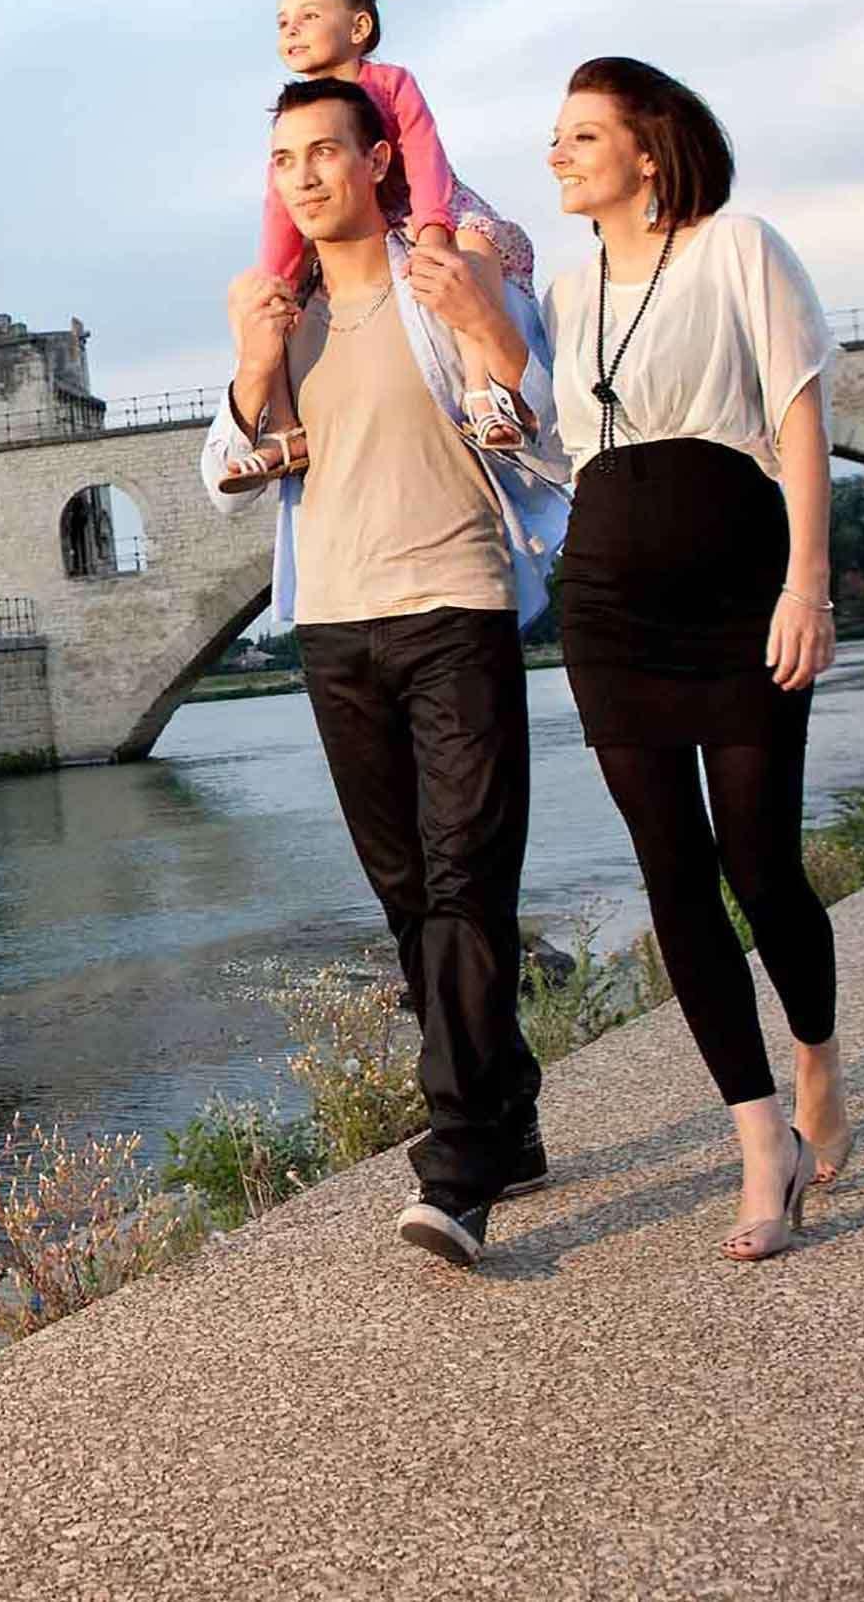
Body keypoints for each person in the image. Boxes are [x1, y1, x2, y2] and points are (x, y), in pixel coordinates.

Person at [204, 77, 571, 1267]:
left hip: (455, 605)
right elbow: (226, 472)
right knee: (411, 893)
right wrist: (254, 369)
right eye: (283, 161)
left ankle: (456, 1165)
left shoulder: (446, 279)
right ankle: (507, 1112)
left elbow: (541, 422)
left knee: (468, 876)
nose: (304, 176)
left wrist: (491, 329)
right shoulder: (281, 312)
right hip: (336, 630)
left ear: (376, 162)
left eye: (325, 151)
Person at [541, 57, 849, 1264]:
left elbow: (800, 419)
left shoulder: (739, 247)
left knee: (760, 859)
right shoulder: (567, 297)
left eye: (580, 135)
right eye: (555, 138)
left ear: (649, 151)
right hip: (610, 607)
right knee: (673, 873)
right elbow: (563, 445)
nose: (557, 155)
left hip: (739, 594)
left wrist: (807, 584)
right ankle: (758, 1139)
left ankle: (818, 1050)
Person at [222, 0, 541, 490]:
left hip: (419, 207)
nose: (291, 31)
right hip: (346, 230)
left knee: (473, 244)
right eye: (282, 23)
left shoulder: (389, 84)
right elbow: (278, 204)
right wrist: (277, 274)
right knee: (256, 300)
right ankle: (281, 425)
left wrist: (434, 226)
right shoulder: (296, 116)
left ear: (358, 29)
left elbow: (423, 154)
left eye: (308, 17)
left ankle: (483, 391)